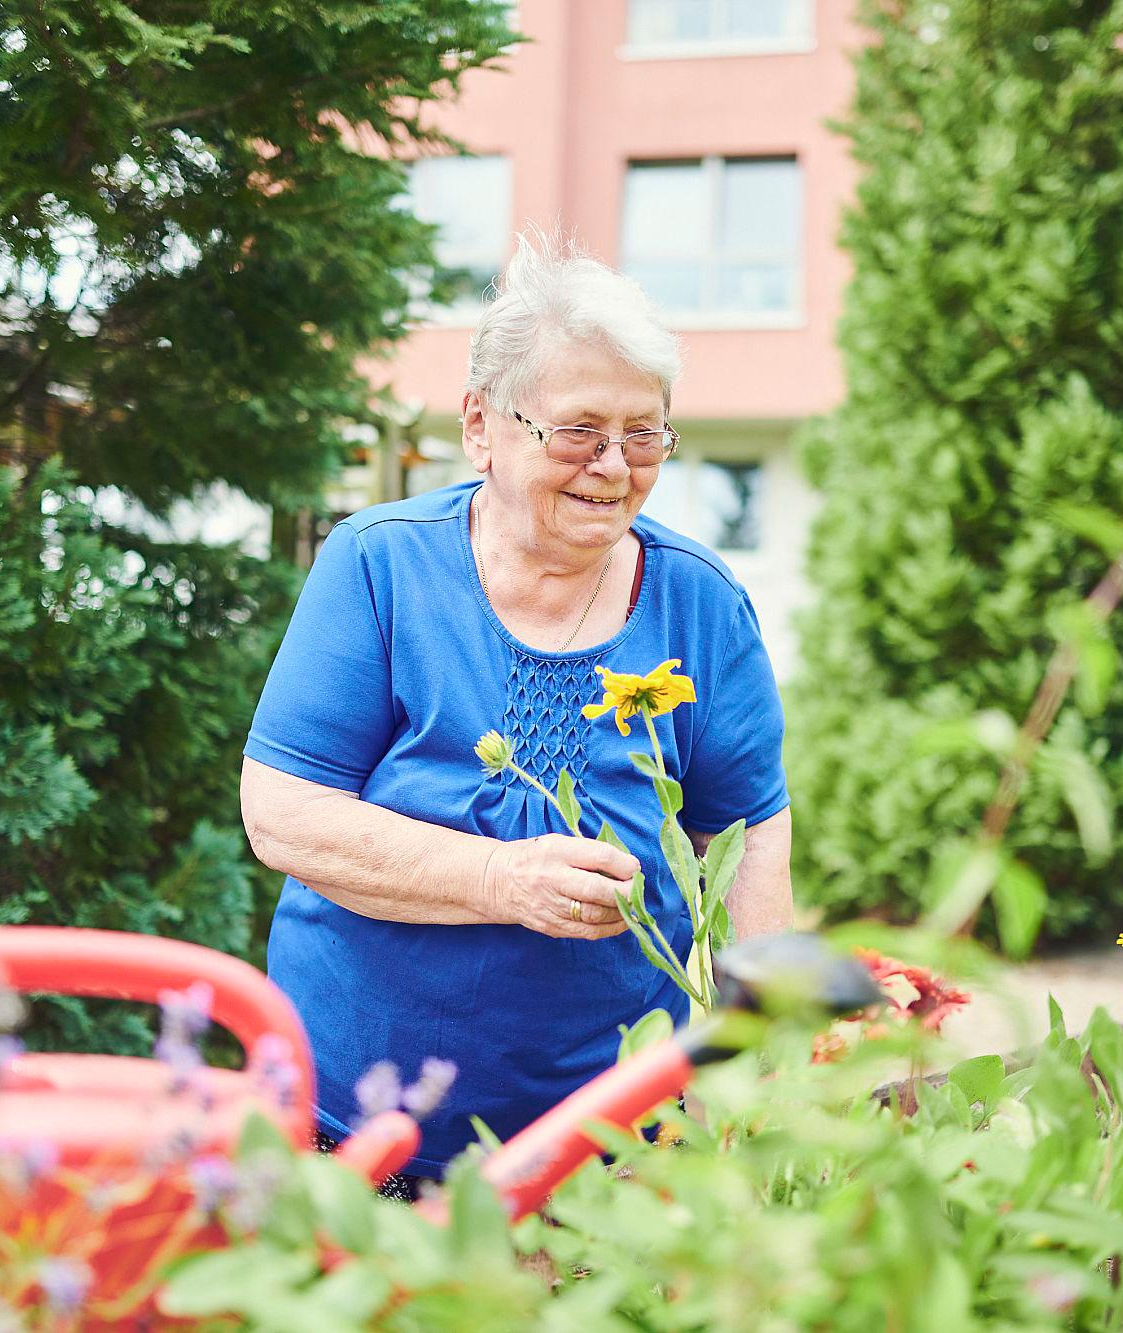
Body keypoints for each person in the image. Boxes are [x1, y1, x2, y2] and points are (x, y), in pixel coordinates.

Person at [239, 235, 791, 1190]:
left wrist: (748, 1085)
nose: (615, 466)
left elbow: (750, 856)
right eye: (579, 430)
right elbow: (282, 812)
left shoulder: (701, 605)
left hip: (611, 1148)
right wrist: (500, 878)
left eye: (645, 434)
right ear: (482, 425)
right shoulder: (380, 566)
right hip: (359, 1127)